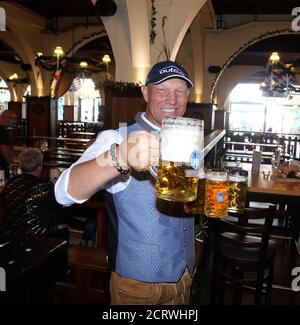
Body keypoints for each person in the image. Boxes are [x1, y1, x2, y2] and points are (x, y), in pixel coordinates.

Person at [55, 60, 195, 305]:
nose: (172, 100)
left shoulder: (188, 139)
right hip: (137, 287)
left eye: (180, 91)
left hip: (184, 279)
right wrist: (119, 156)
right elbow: (63, 191)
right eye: (162, 90)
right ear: (145, 92)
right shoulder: (116, 137)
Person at [0, 148, 68, 240]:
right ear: (39, 167)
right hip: (37, 236)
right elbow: (57, 210)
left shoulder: (11, 182)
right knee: (64, 227)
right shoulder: (44, 185)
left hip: (9, 234)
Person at [0, 110, 16, 178]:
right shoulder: (3, 131)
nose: (14, 122)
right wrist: (10, 163)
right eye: (13, 119)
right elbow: (4, 149)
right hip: (2, 164)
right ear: (6, 118)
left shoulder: (5, 130)